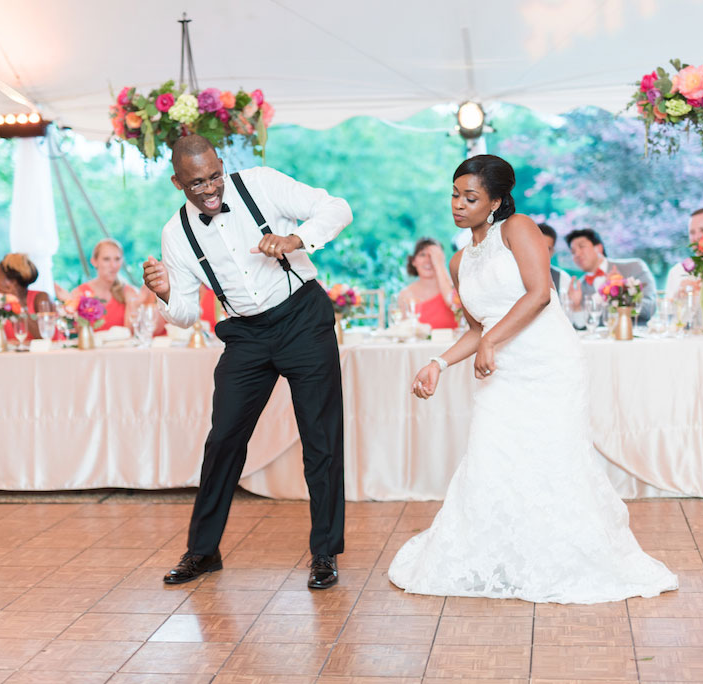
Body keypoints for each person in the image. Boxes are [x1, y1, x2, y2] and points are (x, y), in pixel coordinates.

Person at [389, 154, 677, 603]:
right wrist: (439, 364)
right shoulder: (459, 259)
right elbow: (475, 328)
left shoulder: (517, 228)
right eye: (454, 195)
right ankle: (499, 559)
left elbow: (540, 293)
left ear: (497, 201)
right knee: (492, 458)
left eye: (470, 197)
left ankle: (563, 559)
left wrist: (491, 342)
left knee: (552, 461)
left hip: (548, 364)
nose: (458, 205)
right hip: (501, 371)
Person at [143, 135, 352, 589]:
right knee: (223, 441)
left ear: (222, 164)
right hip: (245, 335)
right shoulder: (175, 233)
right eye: (196, 182)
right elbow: (183, 315)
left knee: (321, 437)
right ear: (178, 181)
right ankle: (202, 551)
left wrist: (297, 237)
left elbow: (337, 208)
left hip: (301, 317)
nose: (209, 188)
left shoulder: (262, 183)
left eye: (214, 175)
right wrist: (164, 294)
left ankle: (324, 553)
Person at [565, 229, 657, 327]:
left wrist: (619, 291)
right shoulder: (579, 286)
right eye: (573, 252)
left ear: (599, 248)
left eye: (582, 247)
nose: (577, 254)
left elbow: (649, 309)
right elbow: (581, 326)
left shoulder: (634, 267)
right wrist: (576, 305)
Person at [69, 238, 138, 331]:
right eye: (106, 259)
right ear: (94, 262)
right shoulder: (79, 294)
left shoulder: (129, 292)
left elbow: (133, 333)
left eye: (117, 259)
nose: (113, 265)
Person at [397, 238, 458, 329]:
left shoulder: (454, 289)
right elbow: (403, 330)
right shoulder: (405, 294)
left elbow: (453, 303)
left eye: (432, 256)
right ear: (414, 261)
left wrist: (439, 265)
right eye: (422, 255)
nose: (428, 260)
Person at [0, 253, 52, 340]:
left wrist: (18, 301)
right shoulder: (0, 302)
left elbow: (43, 336)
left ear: (12, 281)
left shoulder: (41, 298)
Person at [537, 222, 570, 300]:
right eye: (539, 246)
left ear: (552, 252)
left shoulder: (562, 278)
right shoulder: (513, 273)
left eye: (547, 249)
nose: (542, 252)